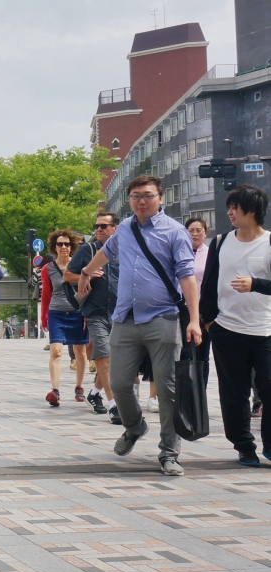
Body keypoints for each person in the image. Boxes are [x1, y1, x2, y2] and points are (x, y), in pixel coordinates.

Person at [77, 174, 201, 477]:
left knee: (168, 390)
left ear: (160, 198)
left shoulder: (174, 232)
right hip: (125, 319)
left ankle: (169, 453)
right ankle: (134, 427)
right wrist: (85, 273)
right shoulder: (125, 231)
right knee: (118, 384)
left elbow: (187, 277)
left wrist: (194, 320)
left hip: (163, 318)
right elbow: (105, 254)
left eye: (147, 195)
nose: (141, 201)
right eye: (135, 196)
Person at [199, 185, 271, 468]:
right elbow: (208, 285)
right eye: (229, 207)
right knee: (234, 393)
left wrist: (256, 284)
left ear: (251, 211)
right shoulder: (220, 243)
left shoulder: (268, 243)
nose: (229, 212)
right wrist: (208, 322)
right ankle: (244, 446)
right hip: (227, 330)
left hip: (266, 330)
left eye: (234, 207)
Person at [64, 212, 121, 422]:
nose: (98, 230)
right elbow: (67, 275)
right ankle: (114, 406)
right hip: (95, 312)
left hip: (120, 313)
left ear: (115, 228)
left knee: (116, 362)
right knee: (103, 358)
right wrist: (85, 275)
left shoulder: (126, 250)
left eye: (103, 226)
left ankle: (95, 393)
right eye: (96, 226)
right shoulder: (87, 250)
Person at [41, 230, 87, 406]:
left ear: (72, 247)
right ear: (55, 247)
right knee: (56, 351)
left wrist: (87, 314)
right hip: (56, 313)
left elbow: (86, 290)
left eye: (67, 244)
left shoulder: (79, 266)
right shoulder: (48, 268)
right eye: (60, 244)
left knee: (80, 352)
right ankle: (55, 390)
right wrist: (44, 316)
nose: (63, 247)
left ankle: (79, 387)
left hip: (77, 312)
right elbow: (46, 293)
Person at [182, 217, 212, 376]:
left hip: (202, 310)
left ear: (205, 233)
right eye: (190, 230)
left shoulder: (210, 253)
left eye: (198, 230)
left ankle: (201, 394)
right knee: (184, 354)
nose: (194, 234)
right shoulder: (179, 252)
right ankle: (185, 395)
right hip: (181, 309)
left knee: (202, 355)